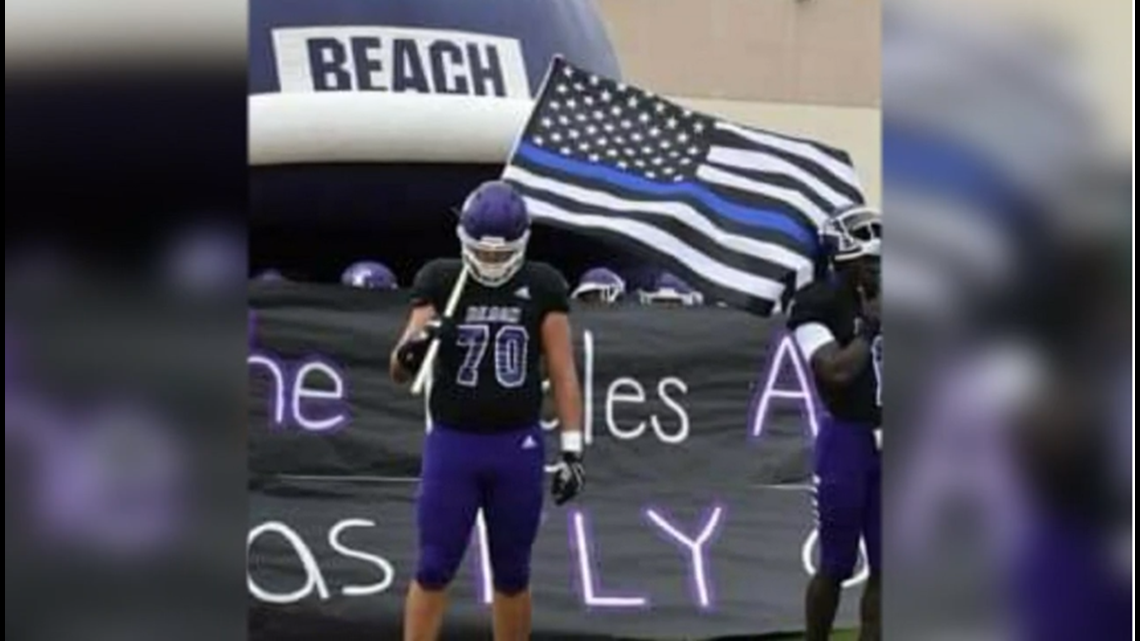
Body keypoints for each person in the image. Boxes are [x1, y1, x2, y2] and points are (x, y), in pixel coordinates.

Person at [389, 180, 585, 641]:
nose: (493, 261)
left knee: (513, 572)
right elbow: (399, 369)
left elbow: (563, 373)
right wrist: (415, 348)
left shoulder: (541, 284)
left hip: (516, 445)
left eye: (503, 253)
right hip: (454, 444)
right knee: (434, 565)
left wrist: (573, 450)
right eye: (484, 252)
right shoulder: (442, 279)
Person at [787, 204, 883, 641]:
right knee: (835, 565)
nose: (878, 270)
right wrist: (869, 329)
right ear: (842, 258)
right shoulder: (817, 302)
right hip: (847, 438)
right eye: (869, 261)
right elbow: (835, 372)